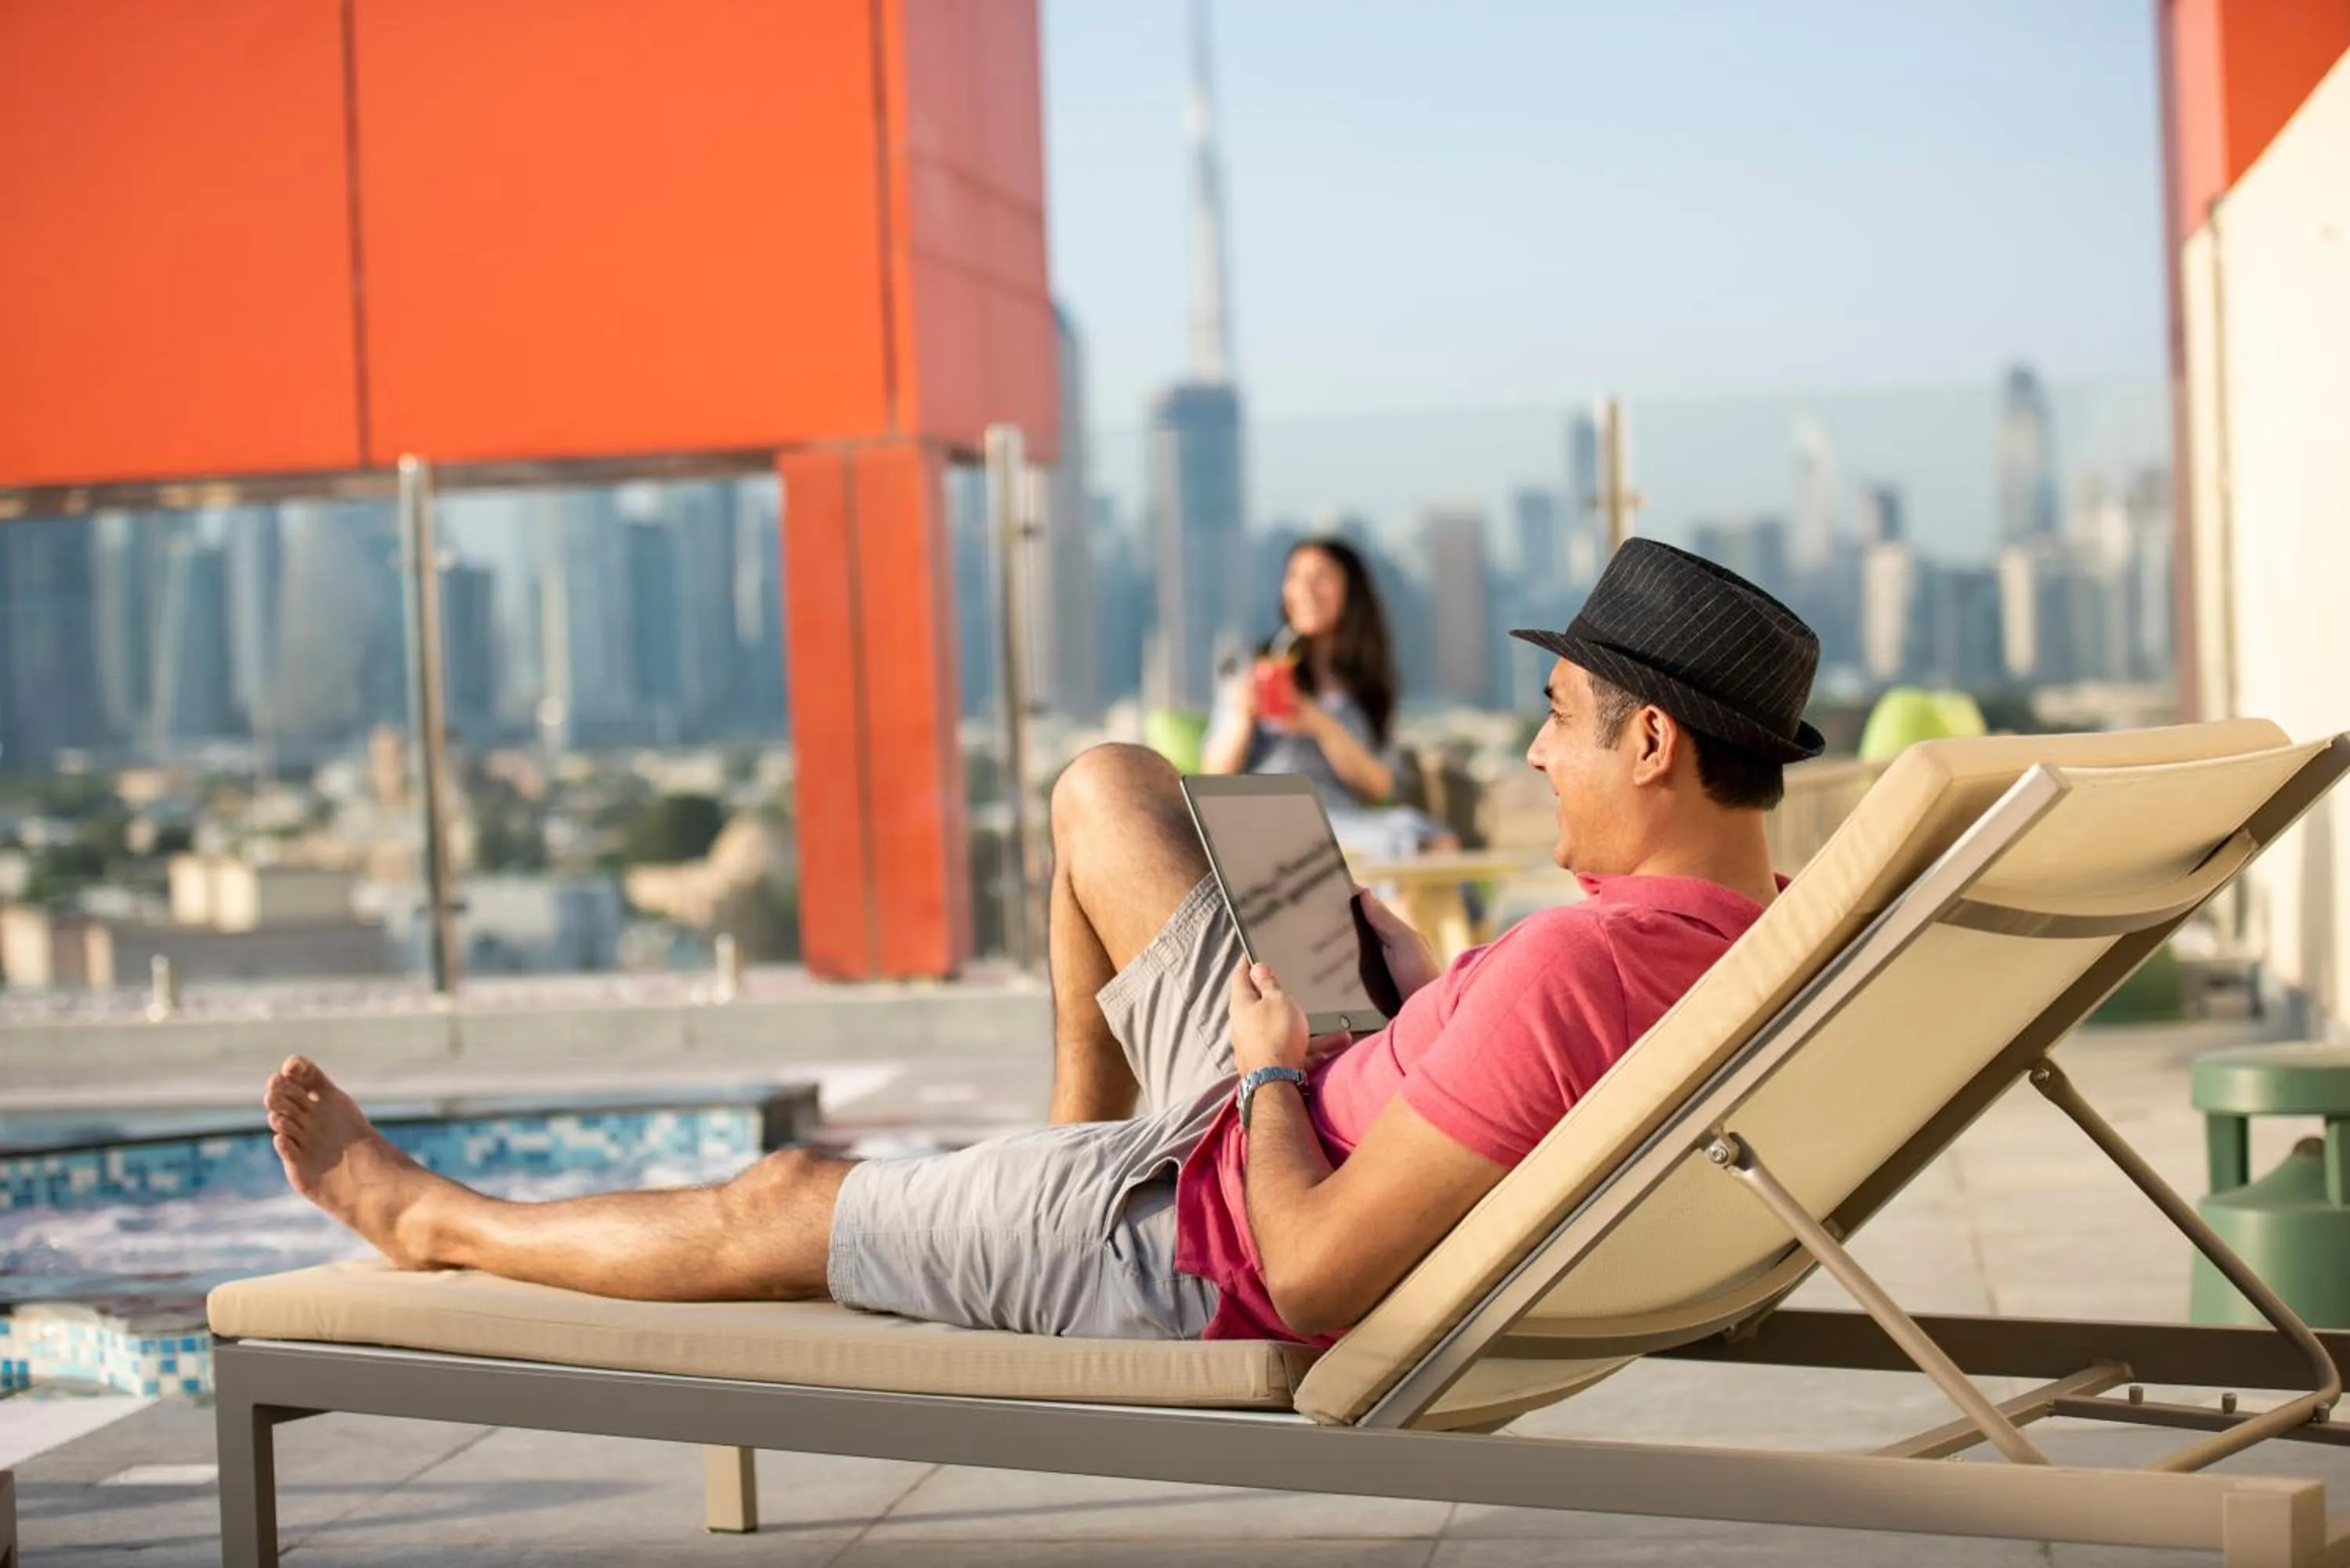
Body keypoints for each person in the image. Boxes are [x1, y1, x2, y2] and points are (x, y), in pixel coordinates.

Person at [263, 539, 1824, 1346]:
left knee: (780, 1199)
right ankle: (1061, 1146)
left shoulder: (1580, 967)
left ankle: (433, 1220)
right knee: (1111, 787)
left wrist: (1276, 1073)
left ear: (1659, 743)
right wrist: (1414, 990)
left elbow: (1315, 1261)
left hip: (1210, 1225)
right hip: (1338, 1079)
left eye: (1561, 721)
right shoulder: (1736, 938)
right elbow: (1515, 1067)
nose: (1537, 755)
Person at [1198, 537, 1448, 860]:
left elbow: (1380, 787)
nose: (1305, 590)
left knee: (1433, 841)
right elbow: (1213, 778)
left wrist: (1317, 723)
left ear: (1350, 591)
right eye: (1295, 577)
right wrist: (1242, 715)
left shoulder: (1368, 685)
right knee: (1403, 845)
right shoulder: (1254, 667)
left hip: (1345, 818)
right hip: (1272, 817)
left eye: (1321, 578)